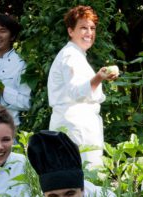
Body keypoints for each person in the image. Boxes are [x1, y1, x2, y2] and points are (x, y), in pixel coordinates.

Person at [47, 5, 119, 168]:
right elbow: (76, 91)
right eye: (83, 28)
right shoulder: (70, 56)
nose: (89, 33)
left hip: (78, 125)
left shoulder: (76, 55)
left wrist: (99, 78)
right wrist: (99, 77)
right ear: (71, 31)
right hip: (74, 127)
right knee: (83, 180)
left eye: (92, 28)